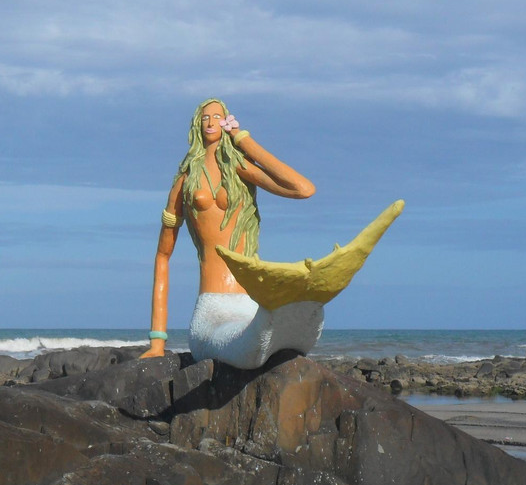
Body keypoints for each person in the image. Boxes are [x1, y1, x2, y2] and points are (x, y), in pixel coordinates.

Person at [141, 98, 403, 369]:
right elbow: (162, 256)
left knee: (273, 331)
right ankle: (273, 324)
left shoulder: (240, 169)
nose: (210, 123)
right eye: (205, 118)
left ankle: (292, 308)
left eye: (218, 117)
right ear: (197, 124)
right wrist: (157, 341)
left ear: (227, 121)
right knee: (246, 344)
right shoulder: (185, 180)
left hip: (249, 306)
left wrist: (244, 140)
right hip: (212, 310)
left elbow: (302, 189)